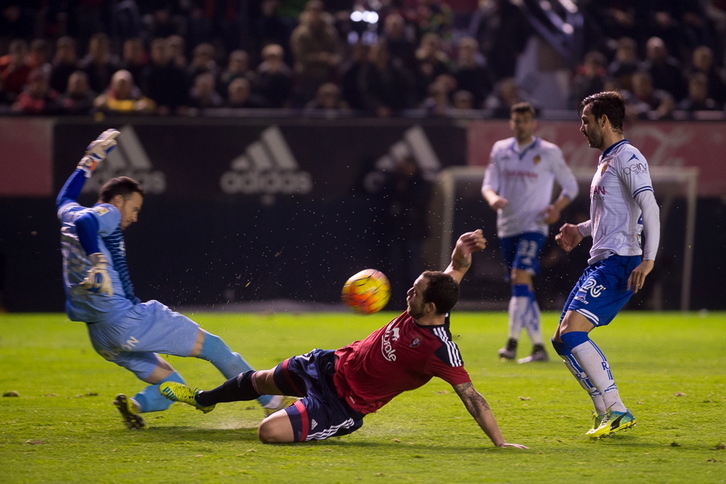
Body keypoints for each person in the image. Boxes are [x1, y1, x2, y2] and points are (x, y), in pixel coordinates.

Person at [159, 230, 528, 449]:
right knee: (260, 380)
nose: (407, 295)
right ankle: (203, 400)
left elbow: (472, 396)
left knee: (268, 432)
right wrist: (461, 256)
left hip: (342, 405)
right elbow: (453, 273)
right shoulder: (434, 301)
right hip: (331, 364)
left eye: (414, 293)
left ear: (430, 306)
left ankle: (305, 418)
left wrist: (499, 442)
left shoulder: (439, 349)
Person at [56, 130, 291, 430]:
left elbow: (64, 198)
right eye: (135, 208)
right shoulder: (106, 213)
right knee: (216, 349)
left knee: (171, 385)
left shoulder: (69, 214)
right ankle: (271, 402)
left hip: (102, 338)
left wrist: (89, 161)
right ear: (118, 201)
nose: (135, 217)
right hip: (126, 319)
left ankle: (134, 405)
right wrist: (97, 260)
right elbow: (90, 221)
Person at [553, 91, 660, 438]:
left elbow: (650, 208)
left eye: (585, 120)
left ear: (603, 121)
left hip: (620, 261)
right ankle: (604, 412)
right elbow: (612, 217)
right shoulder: (606, 160)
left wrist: (648, 260)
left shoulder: (629, 157)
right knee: (560, 339)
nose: (581, 127)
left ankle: (617, 408)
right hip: (602, 259)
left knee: (572, 332)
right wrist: (581, 231)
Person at [482, 102, 579, 364]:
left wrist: (557, 208)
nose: (521, 125)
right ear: (511, 122)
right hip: (507, 226)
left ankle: (511, 344)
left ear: (533, 123)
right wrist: (493, 199)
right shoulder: (501, 149)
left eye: (526, 120)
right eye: (516, 120)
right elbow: (488, 184)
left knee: (519, 275)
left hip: (534, 226)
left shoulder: (548, 152)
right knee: (521, 285)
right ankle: (538, 347)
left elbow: (570, 185)